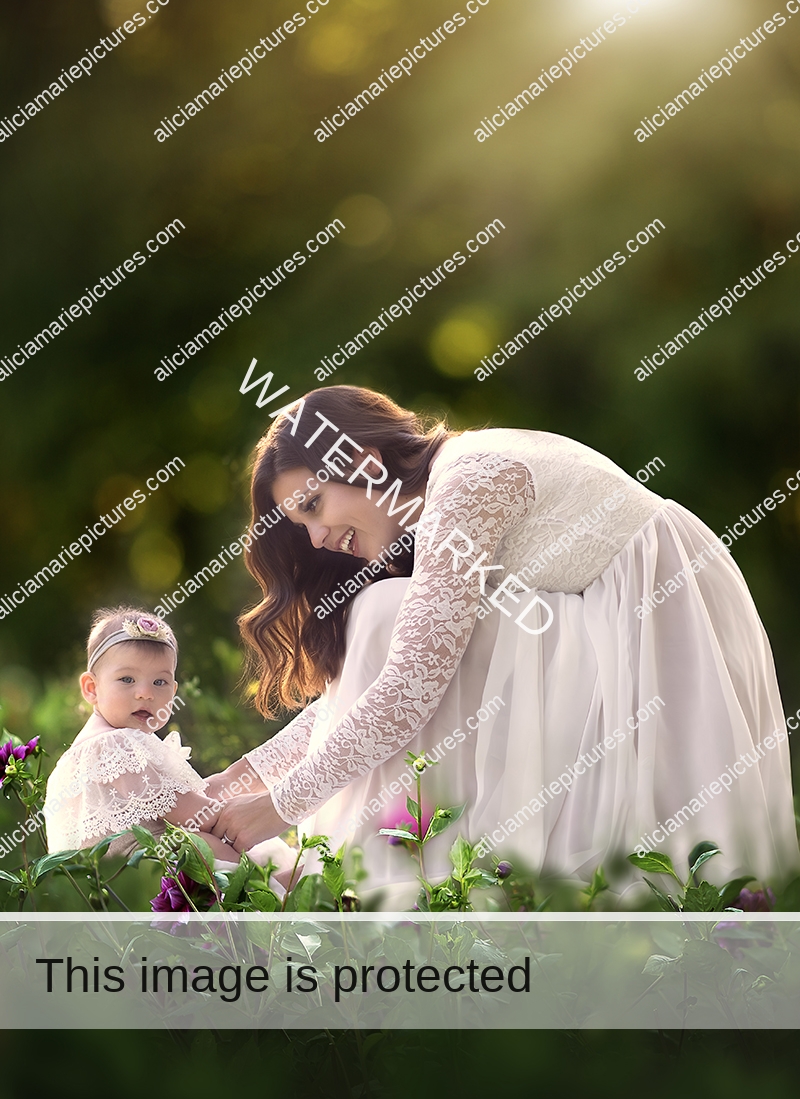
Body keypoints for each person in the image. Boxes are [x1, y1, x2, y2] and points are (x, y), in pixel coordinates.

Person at [207, 385, 800, 899]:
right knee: (391, 617)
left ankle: (372, 885)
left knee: (387, 613)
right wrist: (235, 783)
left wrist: (278, 808)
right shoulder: (441, 497)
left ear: (364, 461)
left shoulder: (467, 481)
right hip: (607, 625)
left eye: (312, 506)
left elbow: (407, 689)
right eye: (299, 523)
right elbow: (372, 689)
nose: (313, 539)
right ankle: (387, 876)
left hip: (658, 625)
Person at [44, 607, 293, 876]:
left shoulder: (91, 747)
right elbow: (196, 816)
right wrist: (263, 809)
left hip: (113, 886)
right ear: (92, 688)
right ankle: (276, 884)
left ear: (174, 691)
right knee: (207, 843)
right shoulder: (113, 746)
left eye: (160, 682)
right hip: (141, 876)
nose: (145, 693)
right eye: (127, 679)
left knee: (213, 843)